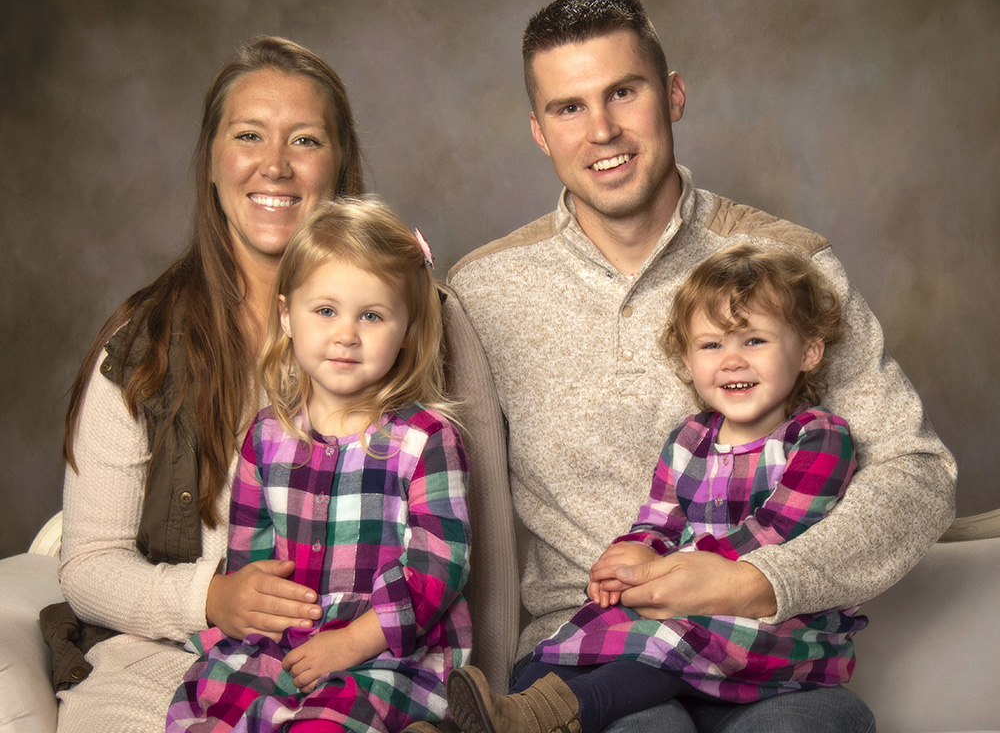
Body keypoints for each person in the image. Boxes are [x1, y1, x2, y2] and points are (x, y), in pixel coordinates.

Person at [447, 0, 955, 731]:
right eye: (569, 108)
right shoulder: (482, 291)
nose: (602, 131)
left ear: (673, 94)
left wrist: (754, 581)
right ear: (539, 132)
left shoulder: (787, 262)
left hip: (764, 654)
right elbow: (433, 482)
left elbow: (917, 472)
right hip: (592, 651)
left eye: (624, 91)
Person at [53, 36, 367, 732]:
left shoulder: (403, 328)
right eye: (249, 135)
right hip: (160, 658)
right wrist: (211, 598)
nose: (275, 165)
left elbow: (463, 535)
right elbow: (88, 565)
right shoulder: (142, 346)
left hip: (347, 664)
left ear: (340, 163)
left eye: (306, 140)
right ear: (214, 162)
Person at [447, 244, 863, 733]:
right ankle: (499, 718)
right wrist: (627, 560)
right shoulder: (690, 440)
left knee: (663, 643)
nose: (731, 361)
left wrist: (666, 572)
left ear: (809, 351)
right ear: (687, 360)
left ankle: (547, 714)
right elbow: (658, 521)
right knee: (581, 634)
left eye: (753, 341)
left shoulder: (818, 437)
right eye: (711, 346)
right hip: (683, 604)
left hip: (775, 627)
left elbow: (776, 531)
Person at [166, 198, 472, 733]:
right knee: (212, 712)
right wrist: (257, 616)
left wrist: (350, 643)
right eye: (325, 310)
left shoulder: (425, 441)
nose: (346, 334)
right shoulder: (265, 438)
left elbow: (436, 572)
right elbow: (250, 563)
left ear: (408, 326)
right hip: (281, 642)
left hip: (385, 651)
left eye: (371, 315)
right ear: (287, 315)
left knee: (327, 724)